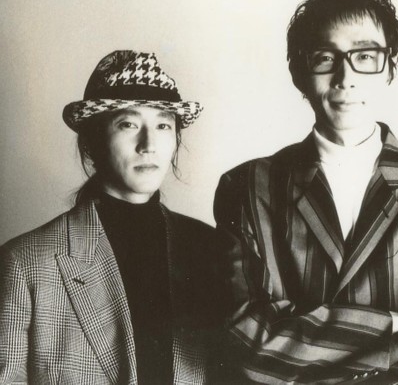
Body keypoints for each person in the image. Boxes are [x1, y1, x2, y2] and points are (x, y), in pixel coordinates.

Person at [214, 0, 398, 384]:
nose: (345, 77)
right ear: (299, 73)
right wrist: (392, 324)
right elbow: (249, 339)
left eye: (365, 56)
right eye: (325, 57)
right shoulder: (249, 186)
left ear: (390, 67)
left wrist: (310, 342)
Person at [0, 50, 229, 384]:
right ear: (92, 141)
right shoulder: (26, 263)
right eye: (128, 124)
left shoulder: (207, 248)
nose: (148, 144)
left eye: (163, 125)